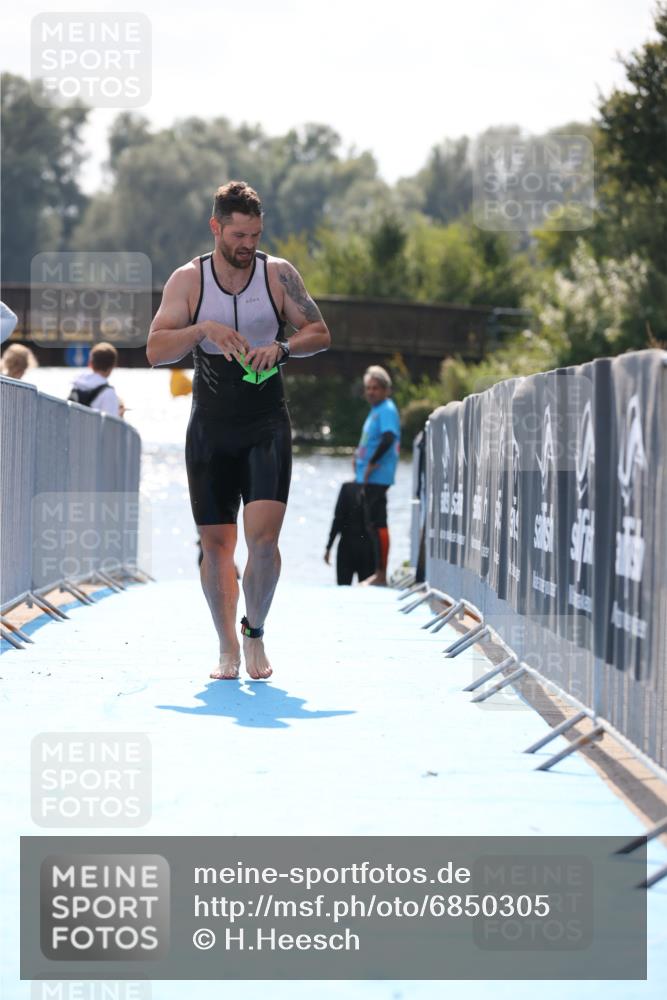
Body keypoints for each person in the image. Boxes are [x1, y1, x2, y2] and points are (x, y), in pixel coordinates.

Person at [146, 180, 330, 681]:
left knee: (264, 542)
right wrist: (202, 330)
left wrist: (284, 348)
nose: (248, 244)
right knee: (216, 545)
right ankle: (226, 644)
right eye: (239, 235)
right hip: (211, 426)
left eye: (255, 234)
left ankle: (254, 633)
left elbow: (319, 332)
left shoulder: (278, 275)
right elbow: (156, 350)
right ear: (216, 228)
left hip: (266, 422)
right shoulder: (188, 281)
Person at [354, 365, 401, 586]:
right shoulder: (376, 411)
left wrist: (372, 463)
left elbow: (389, 437)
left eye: (376, 388)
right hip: (368, 476)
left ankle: (381, 575)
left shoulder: (387, 409)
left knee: (378, 522)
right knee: (372, 523)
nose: (371, 392)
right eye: (368, 388)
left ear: (386, 390)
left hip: (378, 475)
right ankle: (377, 572)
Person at [324, 481, 376, 585]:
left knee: (343, 591)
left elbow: (338, 519)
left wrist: (329, 547)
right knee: (367, 593)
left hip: (346, 547)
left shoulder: (347, 488)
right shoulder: (376, 488)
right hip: (367, 548)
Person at [69, 342, 124, 416]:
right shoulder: (108, 393)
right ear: (113, 366)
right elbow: (111, 425)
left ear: (90, 364)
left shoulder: (76, 384)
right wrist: (120, 414)